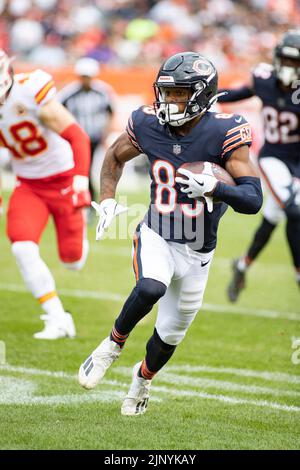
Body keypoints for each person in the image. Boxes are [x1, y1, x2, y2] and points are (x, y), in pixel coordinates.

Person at [78, 51, 262, 416]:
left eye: (179, 93)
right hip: (157, 233)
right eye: (166, 92)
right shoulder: (147, 124)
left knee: (169, 336)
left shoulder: (225, 131)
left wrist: (215, 188)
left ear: (201, 94)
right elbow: (114, 156)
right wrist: (109, 200)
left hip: (198, 252)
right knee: (150, 287)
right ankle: (111, 347)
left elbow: (253, 199)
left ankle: (141, 381)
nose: (170, 100)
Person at [0, 50, 91, 339]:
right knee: (22, 247)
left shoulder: (29, 91)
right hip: (28, 185)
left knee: (72, 261)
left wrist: (80, 180)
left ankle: (80, 230)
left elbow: (78, 135)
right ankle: (57, 316)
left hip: (63, 180)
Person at [218, 30, 300, 302]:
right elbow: (237, 93)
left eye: (295, 62)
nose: (290, 67)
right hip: (273, 157)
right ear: (277, 59)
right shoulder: (264, 80)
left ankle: (242, 265)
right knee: (294, 210)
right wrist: (206, 94)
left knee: (275, 216)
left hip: (298, 162)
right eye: (286, 60)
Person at [58, 57, 115, 215]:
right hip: (75, 139)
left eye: (87, 77)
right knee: (78, 170)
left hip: (94, 137)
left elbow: (110, 113)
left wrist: (106, 134)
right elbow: (58, 113)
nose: (85, 80)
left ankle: (88, 204)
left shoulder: (102, 92)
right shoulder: (69, 92)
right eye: (83, 76)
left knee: (86, 169)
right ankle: (83, 201)